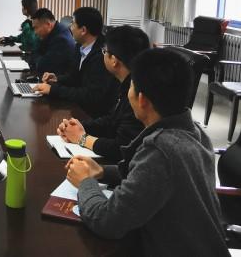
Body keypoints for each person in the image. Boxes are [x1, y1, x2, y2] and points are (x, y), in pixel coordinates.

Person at [66, 48, 229, 256]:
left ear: (141, 99)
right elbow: (153, 178)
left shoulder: (161, 151)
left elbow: (107, 221)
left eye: (131, 86)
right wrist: (103, 172)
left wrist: (85, 182)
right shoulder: (192, 130)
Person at [56, 25, 149, 161]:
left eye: (104, 51)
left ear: (114, 61)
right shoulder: (126, 81)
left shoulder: (137, 93)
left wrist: (82, 139)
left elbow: (122, 148)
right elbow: (113, 121)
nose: (102, 54)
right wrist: (79, 127)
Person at [33, 7, 119, 118]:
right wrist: (57, 78)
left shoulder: (103, 55)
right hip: (78, 107)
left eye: (73, 23)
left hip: (93, 115)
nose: (70, 27)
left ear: (83, 30)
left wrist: (53, 90)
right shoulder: (80, 47)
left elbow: (91, 95)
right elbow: (75, 77)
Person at [29, 8, 75, 76]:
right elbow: (34, 54)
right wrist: (38, 57)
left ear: (48, 24)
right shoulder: (53, 32)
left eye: (36, 28)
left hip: (59, 80)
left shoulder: (61, 40)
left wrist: (36, 58)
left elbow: (42, 66)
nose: (35, 32)